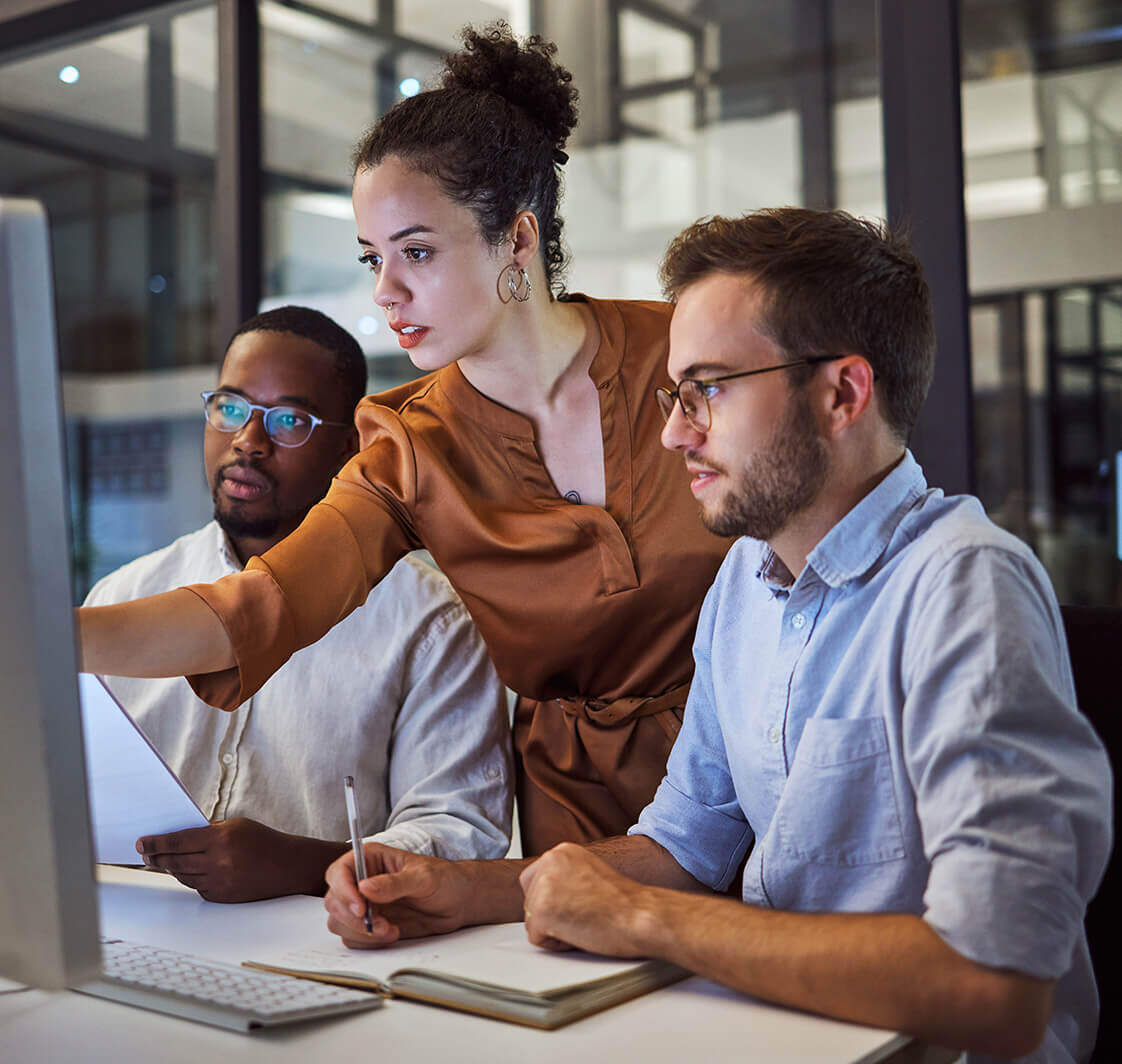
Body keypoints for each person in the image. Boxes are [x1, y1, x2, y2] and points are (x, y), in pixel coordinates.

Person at [320, 209, 1113, 1064]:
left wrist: (644, 919)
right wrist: (465, 891)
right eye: (673, 394)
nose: (673, 432)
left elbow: (996, 988)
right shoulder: (745, 578)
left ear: (843, 393)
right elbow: (685, 845)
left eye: (710, 389)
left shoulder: (965, 586)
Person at [77, 23, 731, 856]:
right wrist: (46, 635)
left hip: (757, 770)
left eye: (415, 252)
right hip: (577, 823)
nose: (386, 292)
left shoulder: (687, 357)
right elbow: (256, 606)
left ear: (519, 239)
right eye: (371, 260)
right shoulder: (408, 445)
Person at [85, 305, 512, 903]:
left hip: (325, 946)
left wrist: (303, 865)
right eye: (230, 408)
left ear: (350, 447)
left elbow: (463, 832)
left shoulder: (431, 622)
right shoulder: (126, 595)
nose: (248, 441)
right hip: (126, 927)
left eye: (289, 420)